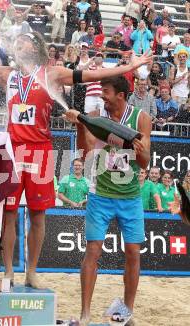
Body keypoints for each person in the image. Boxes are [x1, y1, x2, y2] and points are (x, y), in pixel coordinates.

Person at [0, 31, 152, 288]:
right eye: (17, 40)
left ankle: (31, 272)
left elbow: (91, 76)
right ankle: (7, 272)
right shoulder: (6, 74)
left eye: (25, 41)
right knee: (8, 214)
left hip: (40, 150)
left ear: (36, 48)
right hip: (12, 149)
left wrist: (132, 65)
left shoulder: (52, 74)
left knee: (38, 215)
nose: (19, 43)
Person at [64, 75, 152, 324]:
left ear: (121, 96)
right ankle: (85, 314)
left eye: (106, 92)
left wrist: (139, 150)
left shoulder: (141, 118)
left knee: (133, 252)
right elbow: (86, 152)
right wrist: (81, 126)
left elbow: (145, 162)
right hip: (100, 194)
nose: (101, 96)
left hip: (130, 195)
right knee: (93, 250)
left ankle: (126, 312)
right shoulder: (95, 116)